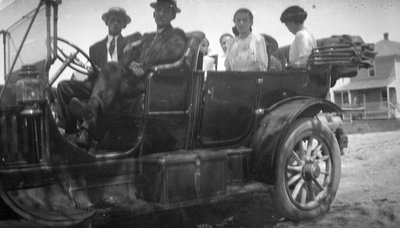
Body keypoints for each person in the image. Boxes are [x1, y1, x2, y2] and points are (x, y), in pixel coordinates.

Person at [68, 0, 186, 145]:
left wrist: (145, 67)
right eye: (159, 10)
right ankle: (88, 123)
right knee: (111, 69)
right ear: (154, 14)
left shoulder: (176, 34)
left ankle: (88, 125)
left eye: (166, 11)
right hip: (133, 78)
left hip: (151, 81)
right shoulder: (147, 37)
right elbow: (132, 52)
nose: (161, 14)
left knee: (113, 86)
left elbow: (174, 53)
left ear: (173, 16)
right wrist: (129, 54)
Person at [56, 7, 137, 138]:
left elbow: (130, 69)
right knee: (63, 87)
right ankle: (68, 133)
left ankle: (89, 115)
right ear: (107, 22)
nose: (115, 23)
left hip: (117, 86)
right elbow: (93, 74)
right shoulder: (95, 48)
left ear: (124, 25)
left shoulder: (131, 44)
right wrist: (93, 72)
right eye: (112, 20)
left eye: (119, 20)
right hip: (97, 84)